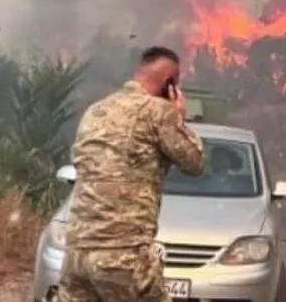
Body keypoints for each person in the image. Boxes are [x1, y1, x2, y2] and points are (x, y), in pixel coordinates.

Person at [59, 46, 206, 302]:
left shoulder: (95, 111)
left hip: (77, 254)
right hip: (123, 253)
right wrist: (179, 117)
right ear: (169, 83)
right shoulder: (158, 112)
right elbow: (194, 162)